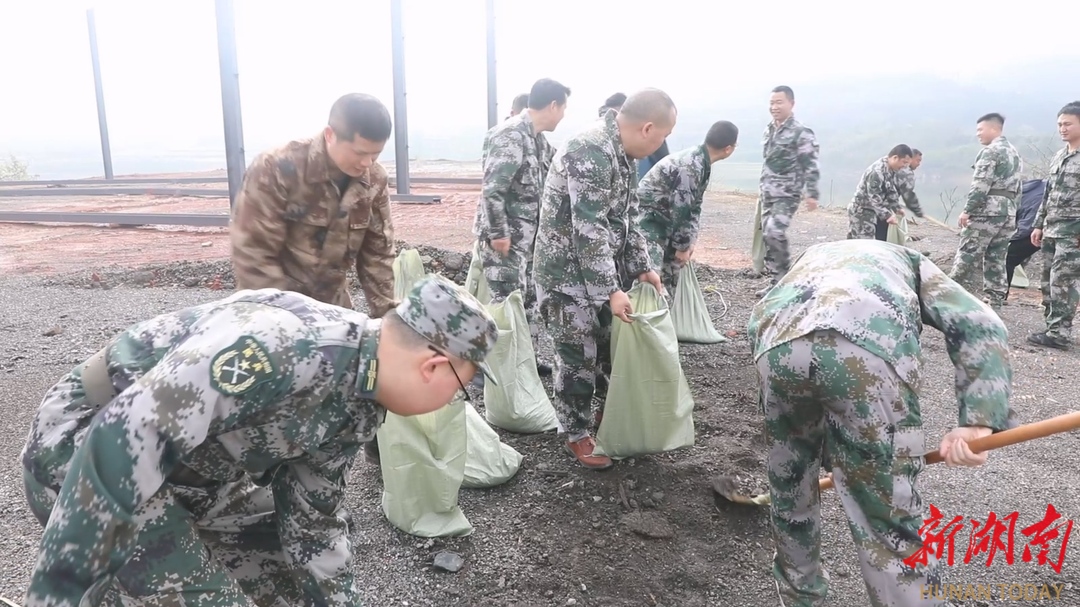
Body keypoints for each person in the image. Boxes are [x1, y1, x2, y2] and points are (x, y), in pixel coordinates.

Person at [19, 274, 499, 607]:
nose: (454, 401)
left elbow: (313, 524)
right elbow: (122, 442)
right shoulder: (284, 346)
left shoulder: (360, 398)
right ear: (434, 366)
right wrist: (58, 592)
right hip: (81, 450)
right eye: (461, 388)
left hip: (189, 477)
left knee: (280, 576)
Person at [748, 239, 1016, 607]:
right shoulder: (911, 262)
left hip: (777, 348)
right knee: (888, 511)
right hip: (867, 351)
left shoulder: (813, 259)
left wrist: (828, 447)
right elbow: (981, 322)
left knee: (791, 487)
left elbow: (763, 315)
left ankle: (799, 597)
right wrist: (978, 419)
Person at [229, 92, 397, 464]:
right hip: (274, 309)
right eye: (360, 153)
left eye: (375, 154)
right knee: (277, 401)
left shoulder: (373, 179)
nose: (367, 163)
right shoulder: (280, 167)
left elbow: (378, 252)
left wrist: (387, 316)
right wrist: (288, 325)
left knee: (352, 386)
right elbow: (253, 253)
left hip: (334, 304)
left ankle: (366, 454)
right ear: (331, 135)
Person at [533, 88, 670, 469]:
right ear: (647, 128)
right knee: (577, 356)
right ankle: (575, 433)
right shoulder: (590, 149)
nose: (660, 146)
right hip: (564, 276)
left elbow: (626, 217)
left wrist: (642, 265)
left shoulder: (622, 155)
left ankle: (606, 416)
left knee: (611, 349)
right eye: (661, 137)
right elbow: (589, 228)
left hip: (596, 270)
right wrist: (611, 289)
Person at [473, 78, 571, 377]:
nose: (563, 115)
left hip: (527, 241)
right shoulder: (511, 134)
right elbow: (493, 189)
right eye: (563, 108)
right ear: (553, 106)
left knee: (527, 301)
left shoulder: (538, 140)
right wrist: (498, 233)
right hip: (505, 242)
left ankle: (524, 361)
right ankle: (487, 369)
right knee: (504, 304)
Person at [636, 120, 739, 297]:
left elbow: (694, 207)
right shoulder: (691, 166)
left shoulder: (701, 162)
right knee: (649, 279)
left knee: (674, 275)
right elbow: (681, 210)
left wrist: (689, 241)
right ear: (728, 149)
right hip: (649, 221)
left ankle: (673, 310)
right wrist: (682, 246)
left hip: (664, 220)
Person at [948, 112, 1023, 311]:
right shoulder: (1014, 153)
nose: (978, 134)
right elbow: (1019, 187)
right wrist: (1014, 211)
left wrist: (968, 210)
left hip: (988, 211)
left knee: (967, 253)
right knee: (997, 257)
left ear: (993, 129)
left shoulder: (990, 151)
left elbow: (981, 184)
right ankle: (995, 301)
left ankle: (948, 296)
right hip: (1008, 211)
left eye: (980, 130)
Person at [758, 85, 821, 296]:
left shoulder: (801, 132)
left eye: (779, 102)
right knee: (767, 236)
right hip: (768, 192)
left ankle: (786, 280)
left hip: (787, 193)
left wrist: (812, 192)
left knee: (774, 232)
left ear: (791, 104)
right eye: (771, 103)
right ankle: (775, 282)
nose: (774, 107)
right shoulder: (769, 129)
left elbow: (811, 163)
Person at [1028, 101, 1080, 350]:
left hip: (1074, 231)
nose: (1062, 129)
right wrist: (1038, 224)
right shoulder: (1060, 156)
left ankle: (1060, 334)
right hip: (1052, 227)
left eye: (1067, 124)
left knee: (1063, 280)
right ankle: (1052, 327)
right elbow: (1048, 194)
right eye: (1059, 124)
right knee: (1047, 280)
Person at [846, 145, 917, 241]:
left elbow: (891, 190)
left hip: (873, 212)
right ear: (895, 158)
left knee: (860, 242)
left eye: (907, 164)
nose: (904, 166)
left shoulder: (891, 169)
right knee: (864, 243)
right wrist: (888, 215)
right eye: (904, 162)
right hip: (861, 212)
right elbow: (874, 198)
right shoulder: (876, 172)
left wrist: (896, 208)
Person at [1004, 178, 1047, 300]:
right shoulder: (1041, 186)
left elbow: (1026, 224)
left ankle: (1000, 295)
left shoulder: (1018, 195)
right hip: (1057, 229)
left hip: (1034, 230)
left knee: (1008, 258)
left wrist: (1014, 238)